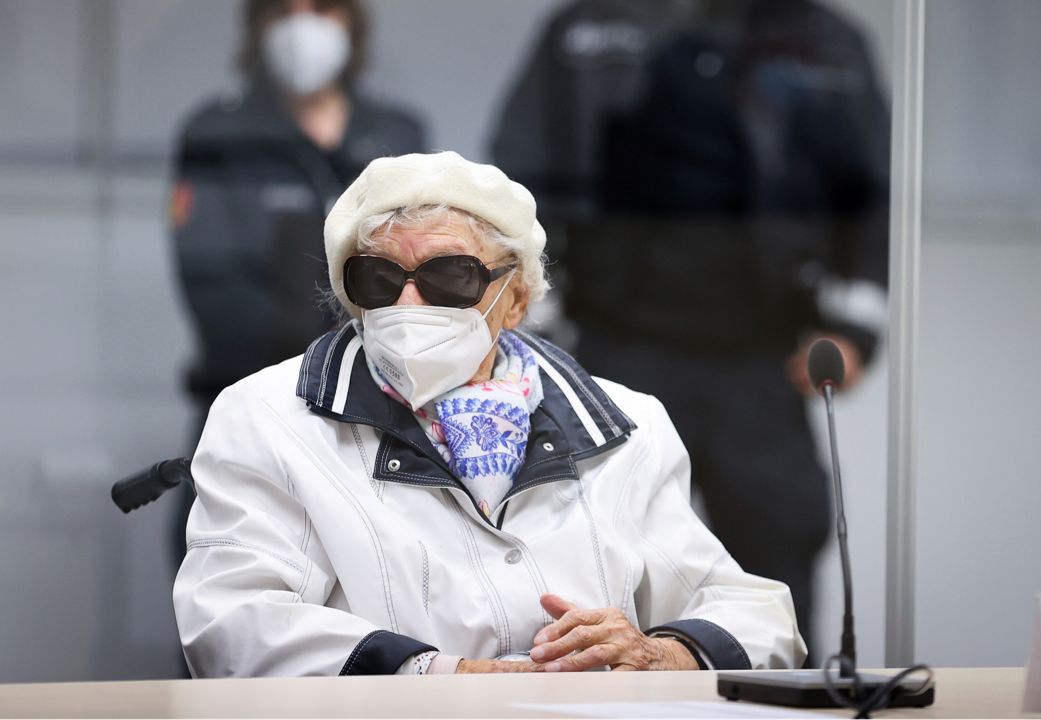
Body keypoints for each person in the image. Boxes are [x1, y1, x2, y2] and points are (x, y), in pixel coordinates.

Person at [172, 151, 806, 676]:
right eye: (378, 279)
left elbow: (759, 616)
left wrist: (660, 653)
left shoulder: (626, 424)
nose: (410, 303)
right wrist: (443, 678)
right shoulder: (267, 416)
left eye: (450, 276)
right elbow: (231, 623)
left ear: (516, 299)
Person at [565, 0, 891, 646]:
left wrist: (851, 334)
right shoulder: (596, 23)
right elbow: (534, 174)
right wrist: (540, 330)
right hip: (620, 342)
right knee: (598, 553)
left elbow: (869, 198)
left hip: (762, 352)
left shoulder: (827, 41)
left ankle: (790, 702)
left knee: (780, 543)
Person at [168, 0, 425, 574]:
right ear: (257, 24)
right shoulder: (218, 132)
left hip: (385, 419)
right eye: (284, 10)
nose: (302, 25)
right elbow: (213, 285)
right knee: (231, 593)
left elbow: (423, 272)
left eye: (323, 8)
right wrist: (320, 372)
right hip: (249, 401)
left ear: (352, 23)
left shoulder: (396, 134)